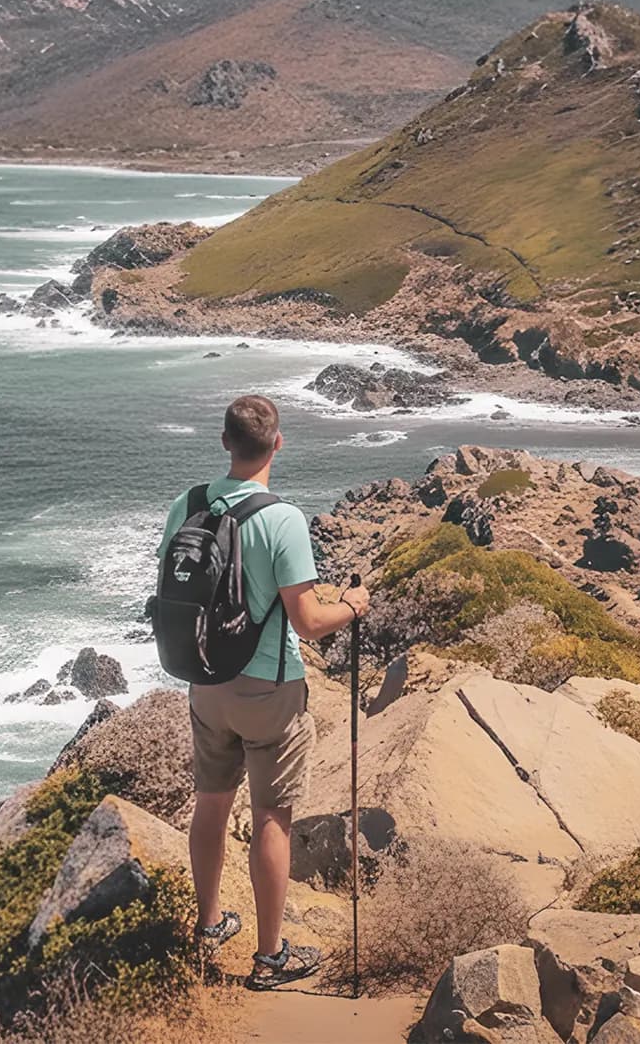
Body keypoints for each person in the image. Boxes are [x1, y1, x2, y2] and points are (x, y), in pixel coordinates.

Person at [162, 394, 369, 989]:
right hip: (269, 690)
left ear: (225, 441)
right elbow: (308, 622)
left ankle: (208, 924)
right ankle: (270, 957)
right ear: (278, 443)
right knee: (271, 817)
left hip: (205, 681)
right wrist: (353, 605)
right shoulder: (283, 520)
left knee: (210, 804)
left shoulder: (187, 504)